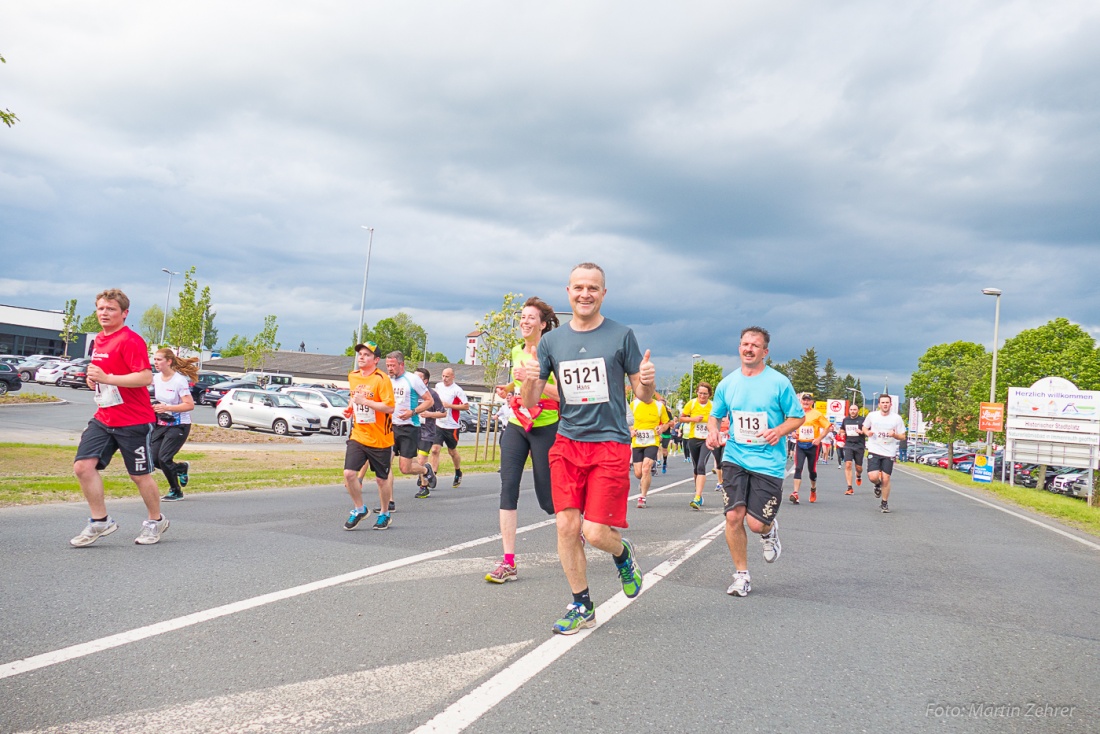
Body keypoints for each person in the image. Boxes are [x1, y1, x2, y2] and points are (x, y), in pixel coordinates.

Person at [522, 262, 655, 634]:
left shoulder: (621, 335)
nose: (585, 294)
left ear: (603, 294)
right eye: (579, 287)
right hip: (567, 442)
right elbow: (531, 402)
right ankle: (581, 604)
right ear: (568, 292)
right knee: (567, 525)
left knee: (595, 533)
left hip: (609, 444)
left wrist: (645, 381)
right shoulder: (551, 342)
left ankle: (623, 552)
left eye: (593, 288)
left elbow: (642, 396)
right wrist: (531, 380)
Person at [706, 326, 805, 597]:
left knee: (755, 524)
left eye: (755, 345)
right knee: (733, 516)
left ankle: (769, 530)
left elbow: (798, 417)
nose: (748, 349)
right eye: (744, 344)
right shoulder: (728, 383)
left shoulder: (779, 382)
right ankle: (741, 576)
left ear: (765, 352)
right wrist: (713, 431)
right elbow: (715, 415)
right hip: (736, 456)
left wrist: (779, 431)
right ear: (739, 347)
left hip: (768, 462)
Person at [70, 289, 169, 547]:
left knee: (139, 476)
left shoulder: (130, 340)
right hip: (104, 417)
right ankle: (100, 521)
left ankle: (155, 521)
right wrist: (95, 380)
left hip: (134, 420)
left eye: (111, 309)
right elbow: (104, 374)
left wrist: (108, 379)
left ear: (124, 313)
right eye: (101, 308)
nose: (105, 313)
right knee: (82, 467)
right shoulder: (99, 341)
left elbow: (145, 377)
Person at [486, 297, 560, 583]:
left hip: (545, 426)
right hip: (517, 424)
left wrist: (536, 380)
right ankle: (508, 562)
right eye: (522, 317)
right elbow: (518, 383)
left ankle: (573, 525)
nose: (524, 322)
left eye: (531, 318)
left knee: (548, 499)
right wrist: (509, 386)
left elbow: (561, 393)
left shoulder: (551, 353)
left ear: (542, 324)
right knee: (508, 487)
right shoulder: (517, 350)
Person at [343, 341, 396, 530]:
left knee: (381, 479)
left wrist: (365, 401)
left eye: (366, 355)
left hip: (380, 438)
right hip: (358, 434)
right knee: (349, 474)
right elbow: (354, 396)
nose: (361, 357)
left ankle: (384, 513)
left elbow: (390, 407)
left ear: (376, 360)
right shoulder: (353, 376)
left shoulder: (382, 379)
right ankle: (359, 509)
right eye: (360, 354)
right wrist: (350, 408)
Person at [386, 351, 437, 495]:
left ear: (401, 364)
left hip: (409, 428)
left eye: (393, 365)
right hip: (390, 427)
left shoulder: (413, 379)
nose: (389, 369)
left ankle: (425, 469)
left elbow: (429, 401)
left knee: (405, 468)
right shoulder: (387, 380)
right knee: (385, 465)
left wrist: (412, 411)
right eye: (387, 365)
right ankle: (389, 503)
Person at [151, 347, 198, 501]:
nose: (155, 362)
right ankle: (180, 468)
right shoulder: (156, 378)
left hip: (179, 424)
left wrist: (167, 407)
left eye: (159, 359)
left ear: (169, 361)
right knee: (153, 459)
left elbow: (189, 405)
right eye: (155, 359)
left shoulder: (179, 380)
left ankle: (176, 491)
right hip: (162, 423)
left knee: (164, 458)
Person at [862, 395, 907, 513]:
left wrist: (894, 435)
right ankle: (877, 485)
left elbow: (903, 436)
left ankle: (884, 502)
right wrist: (868, 433)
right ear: (879, 404)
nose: (885, 404)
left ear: (890, 404)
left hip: (889, 451)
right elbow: (864, 427)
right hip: (874, 449)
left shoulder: (896, 418)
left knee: (886, 478)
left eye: (887, 402)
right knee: (873, 476)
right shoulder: (872, 415)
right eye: (883, 402)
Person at [789, 393, 832, 504]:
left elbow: (828, 427)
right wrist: (793, 433)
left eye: (808, 400)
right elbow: (791, 425)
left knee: (812, 470)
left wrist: (819, 438)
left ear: (812, 402)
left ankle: (813, 489)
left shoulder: (817, 414)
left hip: (813, 445)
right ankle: (795, 493)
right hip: (800, 444)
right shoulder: (797, 413)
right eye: (804, 400)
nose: (806, 402)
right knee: (798, 468)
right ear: (801, 402)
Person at [631, 392, 670, 508]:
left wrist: (661, 428)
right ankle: (643, 481)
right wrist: (630, 430)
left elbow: (667, 423)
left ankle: (642, 497)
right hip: (637, 441)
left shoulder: (659, 406)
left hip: (652, 441)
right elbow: (625, 421)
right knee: (638, 473)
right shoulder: (634, 405)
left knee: (646, 468)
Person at [433, 367, 470, 488]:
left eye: (447, 376)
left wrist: (449, 405)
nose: (444, 379)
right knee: (435, 450)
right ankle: (432, 475)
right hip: (439, 423)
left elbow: (466, 406)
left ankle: (458, 471)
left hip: (452, 425)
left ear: (453, 377)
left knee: (452, 451)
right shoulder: (438, 386)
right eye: (443, 376)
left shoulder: (457, 390)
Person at [680, 383, 714, 510]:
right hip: (694, 439)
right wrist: (693, 419)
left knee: (701, 466)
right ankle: (697, 492)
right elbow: (681, 418)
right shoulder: (692, 404)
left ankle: (697, 497)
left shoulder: (713, 405)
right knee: (696, 468)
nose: (702, 396)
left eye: (705, 393)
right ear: (697, 393)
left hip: (707, 439)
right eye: (700, 393)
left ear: (709, 394)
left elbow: (719, 419)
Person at [413, 367, 445, 499]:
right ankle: (427, 471)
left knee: (421, 459)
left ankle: (424, 487)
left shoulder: (432, 394)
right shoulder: (410, 393)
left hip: (427, 432)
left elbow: (443, 412)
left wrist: (430, 414)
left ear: (425, 381)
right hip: (411, 430)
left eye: (418, 378)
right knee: (408, 460)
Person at [841, 404, 866, 495]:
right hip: (848, 444)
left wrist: (862, 432)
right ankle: (849, 487)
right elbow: (842, 429)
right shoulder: (846, 420)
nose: (852, 411)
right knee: (848, 464)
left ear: (858, 410)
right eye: (851, 409)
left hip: (859, 445)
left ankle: (858, 475)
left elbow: (866, 431)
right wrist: (842, 433)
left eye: (854, 409)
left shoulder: (862, 420)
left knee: (858, 468)